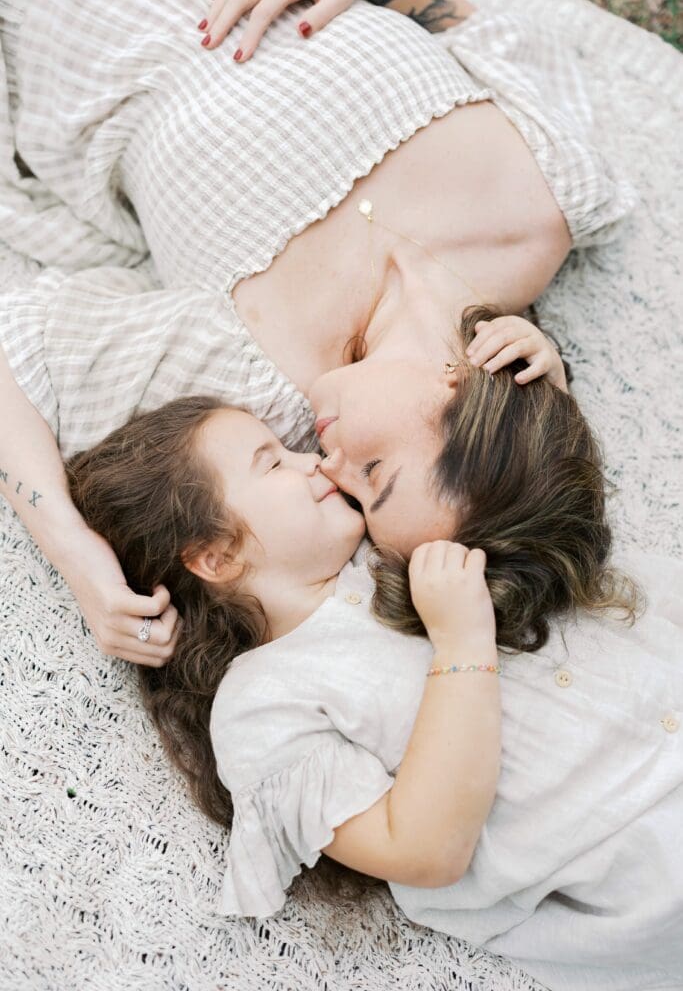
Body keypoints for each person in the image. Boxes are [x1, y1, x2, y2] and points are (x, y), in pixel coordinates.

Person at [0, 0, 635, 665]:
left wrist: (73, 551)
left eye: (356, 505)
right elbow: (493, 34)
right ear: (459, 391)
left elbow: (18, 355)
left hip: (63, 13)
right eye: (376, 472)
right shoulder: (540, 213)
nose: (333, 472)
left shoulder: (261, 377)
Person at [63, 313, 682, 991]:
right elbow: (420, 850)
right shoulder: (262, 704)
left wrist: (528, 383)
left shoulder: (392, 540)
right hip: (636, 865)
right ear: (215, 555)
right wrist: (461, 645)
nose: (316, 461)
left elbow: (514, 492)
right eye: (273, 460)